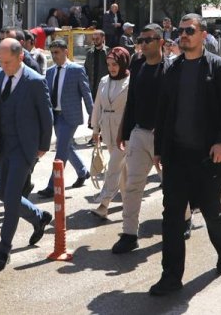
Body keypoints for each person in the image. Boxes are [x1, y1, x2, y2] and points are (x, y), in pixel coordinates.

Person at [149, 14, 221, 297]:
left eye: (189, 30)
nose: (183, 35)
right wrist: (159, 148)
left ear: (202, 35)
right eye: (181, 31)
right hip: (177, 157)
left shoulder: (218, 68)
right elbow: (162, 111)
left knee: (212, 211)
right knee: (172, 217)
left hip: (209, 157)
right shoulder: (171, 71)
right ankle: (171, 276)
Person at [0, 38, 54, 272]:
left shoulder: (35, 81)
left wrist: (43, 145)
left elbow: (46, 115)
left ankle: (3, 250)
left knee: (10, 200)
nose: (3, 66)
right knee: (3, 194)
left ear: (20, 57)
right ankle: (38, 217)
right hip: (2, 147)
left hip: (24, 148)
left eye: (7, 62)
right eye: (0, 61)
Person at [112, 24, 165, 254]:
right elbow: (131, 99)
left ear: (160, 42)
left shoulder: (171, 68)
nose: (142, 44)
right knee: (132, 185)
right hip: (138, 133)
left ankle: (183, 221)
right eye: (140, 40)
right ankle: (129, 234)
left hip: (162, 136)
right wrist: (124, 131)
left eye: (148, 40)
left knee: (172, 185)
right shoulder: (137, 64)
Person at [40, 38, 93, 198]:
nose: (54, 56)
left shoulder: (76, 70)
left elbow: (86, 92)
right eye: (52, 53)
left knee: (61, 149)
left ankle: (52, 185)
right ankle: (83, 172)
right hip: (55, 116)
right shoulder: (49, 72)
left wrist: (93, 115)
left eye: (57, 52)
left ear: (66, 52)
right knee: (66, 146)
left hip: (70, 117)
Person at [90, 47, 131, 220]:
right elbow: (98, 104)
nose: (112, 68)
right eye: (109, 64)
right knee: (122, 168)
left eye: (115, 64)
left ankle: (104, 204)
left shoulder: (131, 81)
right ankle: (129, 201)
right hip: (107, 128)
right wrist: (95, 128)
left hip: (124, 131)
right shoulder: (104, 80)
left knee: (114, 167)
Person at [83, 30, 109, 101]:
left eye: (97, 39)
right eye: (93, 39)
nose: (95, 41)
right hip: (92, 89)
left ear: (103, 38)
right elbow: (86, 70)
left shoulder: (108, 52)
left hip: (104, 88)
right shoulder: (89, 53)